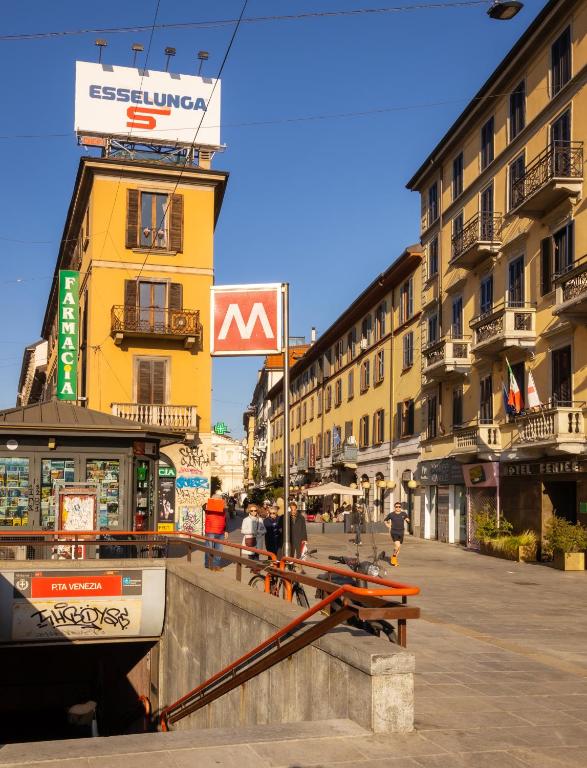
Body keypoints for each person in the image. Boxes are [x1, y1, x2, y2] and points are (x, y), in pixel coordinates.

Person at [204, 492, 228, 570]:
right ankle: (208, 564)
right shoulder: (208, 507)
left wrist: (226, 531)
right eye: (216, 499)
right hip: (210, 531)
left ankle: (216, 566)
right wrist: (210, 502)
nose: (218, 501)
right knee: (209, 549)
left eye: (219, 499)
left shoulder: (223, 508)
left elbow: (225, 520)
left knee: (219, 550)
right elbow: (203, 506)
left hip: (220, 532)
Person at [384, 501, 410, 566]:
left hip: (401, 532)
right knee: (397, 546)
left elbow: (408, 520)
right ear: (394, 507)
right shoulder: (391, 514)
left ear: (401, 507)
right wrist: (388, 525)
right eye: (396, 507)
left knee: (398, 548)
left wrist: (407, 520)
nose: (398, 508)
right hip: (394, 532)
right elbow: (385, 520)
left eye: (399, 507)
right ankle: (393, 561)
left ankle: (394, 559)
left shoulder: (403, 514)